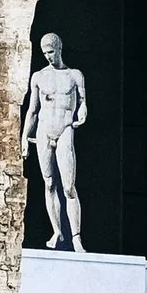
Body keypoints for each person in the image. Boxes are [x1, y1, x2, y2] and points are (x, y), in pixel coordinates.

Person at [22, 29, 89, 251]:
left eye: (51, 51)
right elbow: (32, 110)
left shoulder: (74, 75)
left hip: (65, 128)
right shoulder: (39, 77)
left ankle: (76, 237)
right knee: (49, 183)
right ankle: (57, 231)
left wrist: (82, 113)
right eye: (45, 53)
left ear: (59, 48)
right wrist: (24, 137)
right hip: (43, 129)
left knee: (69, 185)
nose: (49, 56)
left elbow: (82, 103)